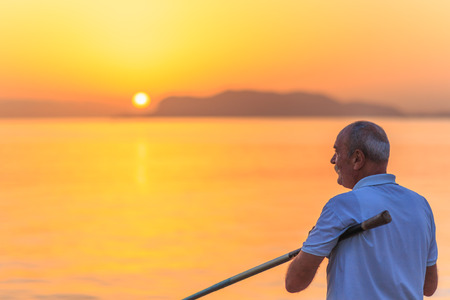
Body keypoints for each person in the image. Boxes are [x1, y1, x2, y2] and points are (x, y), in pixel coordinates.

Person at [285, 121, 438, 299]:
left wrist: (312, 246)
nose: (333, 160)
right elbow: (429, 286)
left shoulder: (341, 206)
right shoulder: (420, 205)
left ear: (357, 159)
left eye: (337, 152)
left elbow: (294, 282)